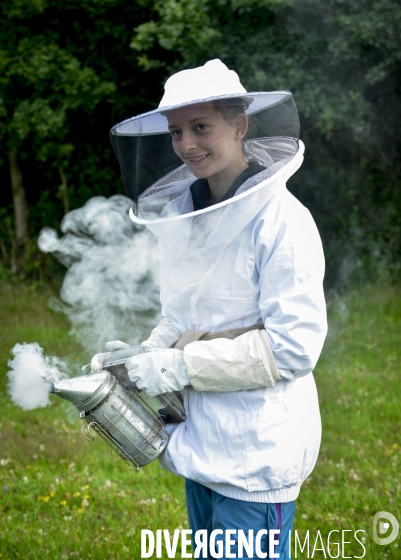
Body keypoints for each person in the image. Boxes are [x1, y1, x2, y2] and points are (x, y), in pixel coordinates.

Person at [93, 59, 327, 558]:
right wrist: (141, 358)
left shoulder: (283, 221)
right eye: (176, 132)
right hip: (201, 445)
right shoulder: (182, 215)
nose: (187, 144)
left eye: (202, 127)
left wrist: (178, 365)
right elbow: (180, 317)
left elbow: (293, 348)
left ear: (240, 125)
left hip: (260, 451)